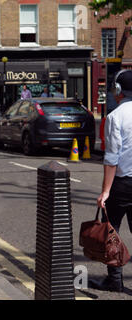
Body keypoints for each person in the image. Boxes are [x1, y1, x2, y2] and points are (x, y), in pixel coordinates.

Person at [93, 69, 132, 292]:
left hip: (122, 184)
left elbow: (111, 157)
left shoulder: (115, 117)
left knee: (112, 232)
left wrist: (105, 191)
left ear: (118, 91)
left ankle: (115, 281)